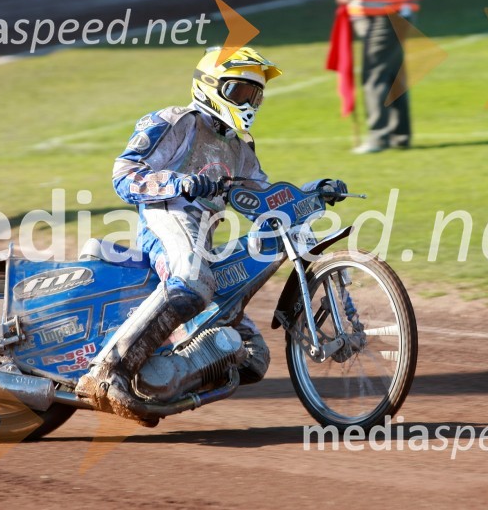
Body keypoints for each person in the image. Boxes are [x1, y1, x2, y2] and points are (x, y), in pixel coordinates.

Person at [75, 46, 345, 423]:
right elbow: (124, 174)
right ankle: (107, 372)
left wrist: (312, 192)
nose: (249, 103)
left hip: (204, 239)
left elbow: (264, 198)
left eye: (255, 96)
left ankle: (162, 382)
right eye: (240, 93)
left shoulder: (239, 146)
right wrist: (181, 183)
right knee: (194, 280)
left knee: (252, 356)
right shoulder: (175, 122)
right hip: (165, 219)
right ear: (209, 86)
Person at [335, 0, 420, 154]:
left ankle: (377, 137)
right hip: (388, 12)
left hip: (386, 14)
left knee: (375, 74)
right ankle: (399, 135)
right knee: (391, 75)